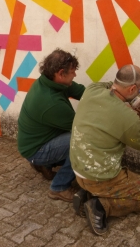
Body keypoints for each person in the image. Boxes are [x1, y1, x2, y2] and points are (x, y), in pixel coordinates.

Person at [70, 64, 140, 235]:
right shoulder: (127, 116)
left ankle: (87, 192)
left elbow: (111, 86)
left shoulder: (92, 89)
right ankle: (101, 206)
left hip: (77, 167)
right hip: (99, 176)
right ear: (133, 88)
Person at [17, 48, 85, 202]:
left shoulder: (49, 82)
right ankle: (59, 187)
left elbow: (83, 92)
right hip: (35, 150)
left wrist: (112, 93)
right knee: (81, 142)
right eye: (72, 72)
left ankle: (45, 165)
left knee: (75, 139)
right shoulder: (51, 102)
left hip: (35, 141)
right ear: (61, 73)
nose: (75, 75)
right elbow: (81, 129)